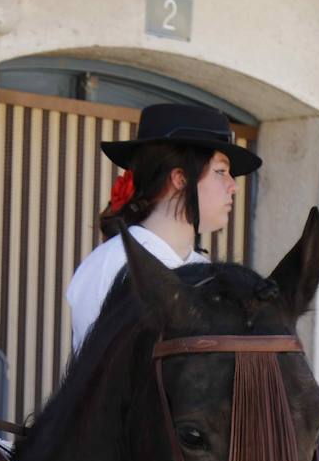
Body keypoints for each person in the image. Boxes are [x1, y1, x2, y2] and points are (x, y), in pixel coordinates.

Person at [64, 102, 262, 352]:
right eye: (221, 171)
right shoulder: (112, 264)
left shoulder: (207, 273)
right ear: (180, 179)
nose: (233, 186)